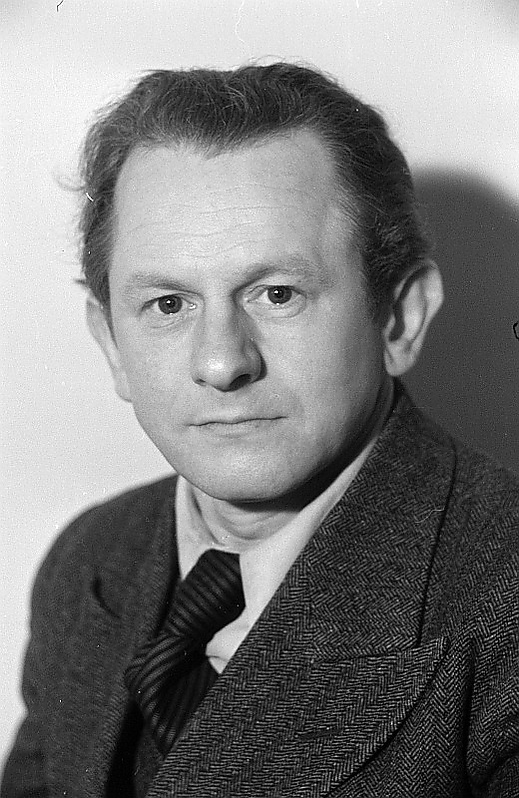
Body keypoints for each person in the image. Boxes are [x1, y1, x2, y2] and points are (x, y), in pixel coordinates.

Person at [2, 62, 518, 798]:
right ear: (111, 343)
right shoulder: (91, 558)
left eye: (277, 294)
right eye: (168, 305)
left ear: (399, 319)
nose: (221, 363)